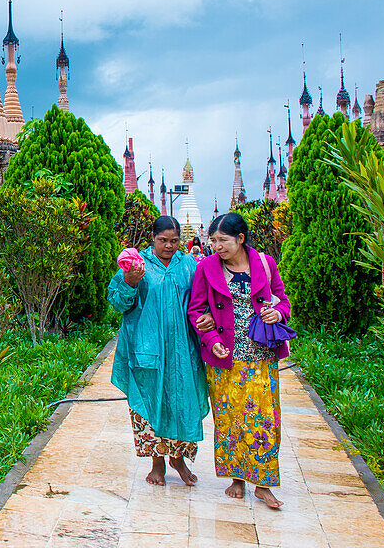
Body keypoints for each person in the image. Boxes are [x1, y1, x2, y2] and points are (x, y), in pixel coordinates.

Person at [189, 212, 290, 509]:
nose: (217, 246)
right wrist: (211, 340)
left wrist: (278, 313)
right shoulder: (207, 268)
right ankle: (237, 478)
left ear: (241, 239)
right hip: (225, 357)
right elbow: (196, 310)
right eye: (213, 241)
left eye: (223, 240)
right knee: (230, 420)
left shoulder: (264, 264)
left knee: (265, 421)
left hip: (261, 356)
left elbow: (282, 301)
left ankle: (264, 484)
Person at [109, 216, 208, 487]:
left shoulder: (188, 265)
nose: (169, 246)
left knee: (181, 403)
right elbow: (117, 303)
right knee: (150, 404)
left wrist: (207, 318)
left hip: (182, 350)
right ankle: (157, 463)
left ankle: (179, 459)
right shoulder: (136, 264)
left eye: (174, 241)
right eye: (163, 240)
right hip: (145, 348)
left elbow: (200, 302)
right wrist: (129, 282)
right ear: (152, 237)